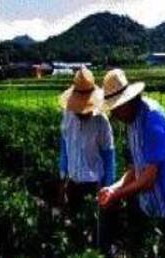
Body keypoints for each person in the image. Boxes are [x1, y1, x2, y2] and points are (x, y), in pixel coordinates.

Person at [98, 69, 165, 257]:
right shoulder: (131, 122)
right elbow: (134, 168)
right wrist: (114, 188)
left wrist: (116, 196)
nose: (114, 114)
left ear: (128, 101)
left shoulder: (151, 118)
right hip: (149, 207)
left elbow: (148, 179)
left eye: (116, 108)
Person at [58, 66, 116, 254]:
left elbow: (109, 157)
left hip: (95, 185)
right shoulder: (67, 116)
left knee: (98, 231)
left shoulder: (102, 122)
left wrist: (108, 188)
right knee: (75, 228)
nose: (83, 112)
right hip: (74, 182)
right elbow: (64, 145)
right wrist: (62, 175)